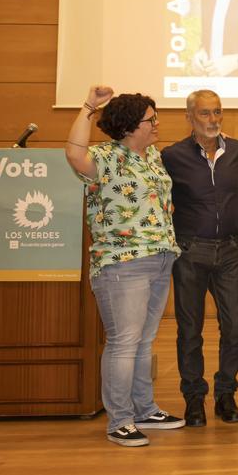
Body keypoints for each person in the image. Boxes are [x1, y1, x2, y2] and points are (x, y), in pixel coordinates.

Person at [66, 86, 184, 447]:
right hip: (122, 263)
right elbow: (73, 153)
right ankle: (119, 420)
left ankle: (144, 408)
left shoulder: (153, 157)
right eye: (151, 119)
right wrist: (88, 106)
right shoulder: (103, 157)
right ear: (132, 126)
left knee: (144, 340)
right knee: (124, 342)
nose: (157, 123)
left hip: (160, 257)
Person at [161, 90, 238, 427]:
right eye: (205, 114)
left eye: (217, 112)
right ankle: (194, 398)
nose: (213, 120)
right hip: (190, 252)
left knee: (233, 328)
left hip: (230, 251)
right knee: (189, 329)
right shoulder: (172, 156)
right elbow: (163, 202)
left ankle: (226, 394)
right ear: (189, 117)